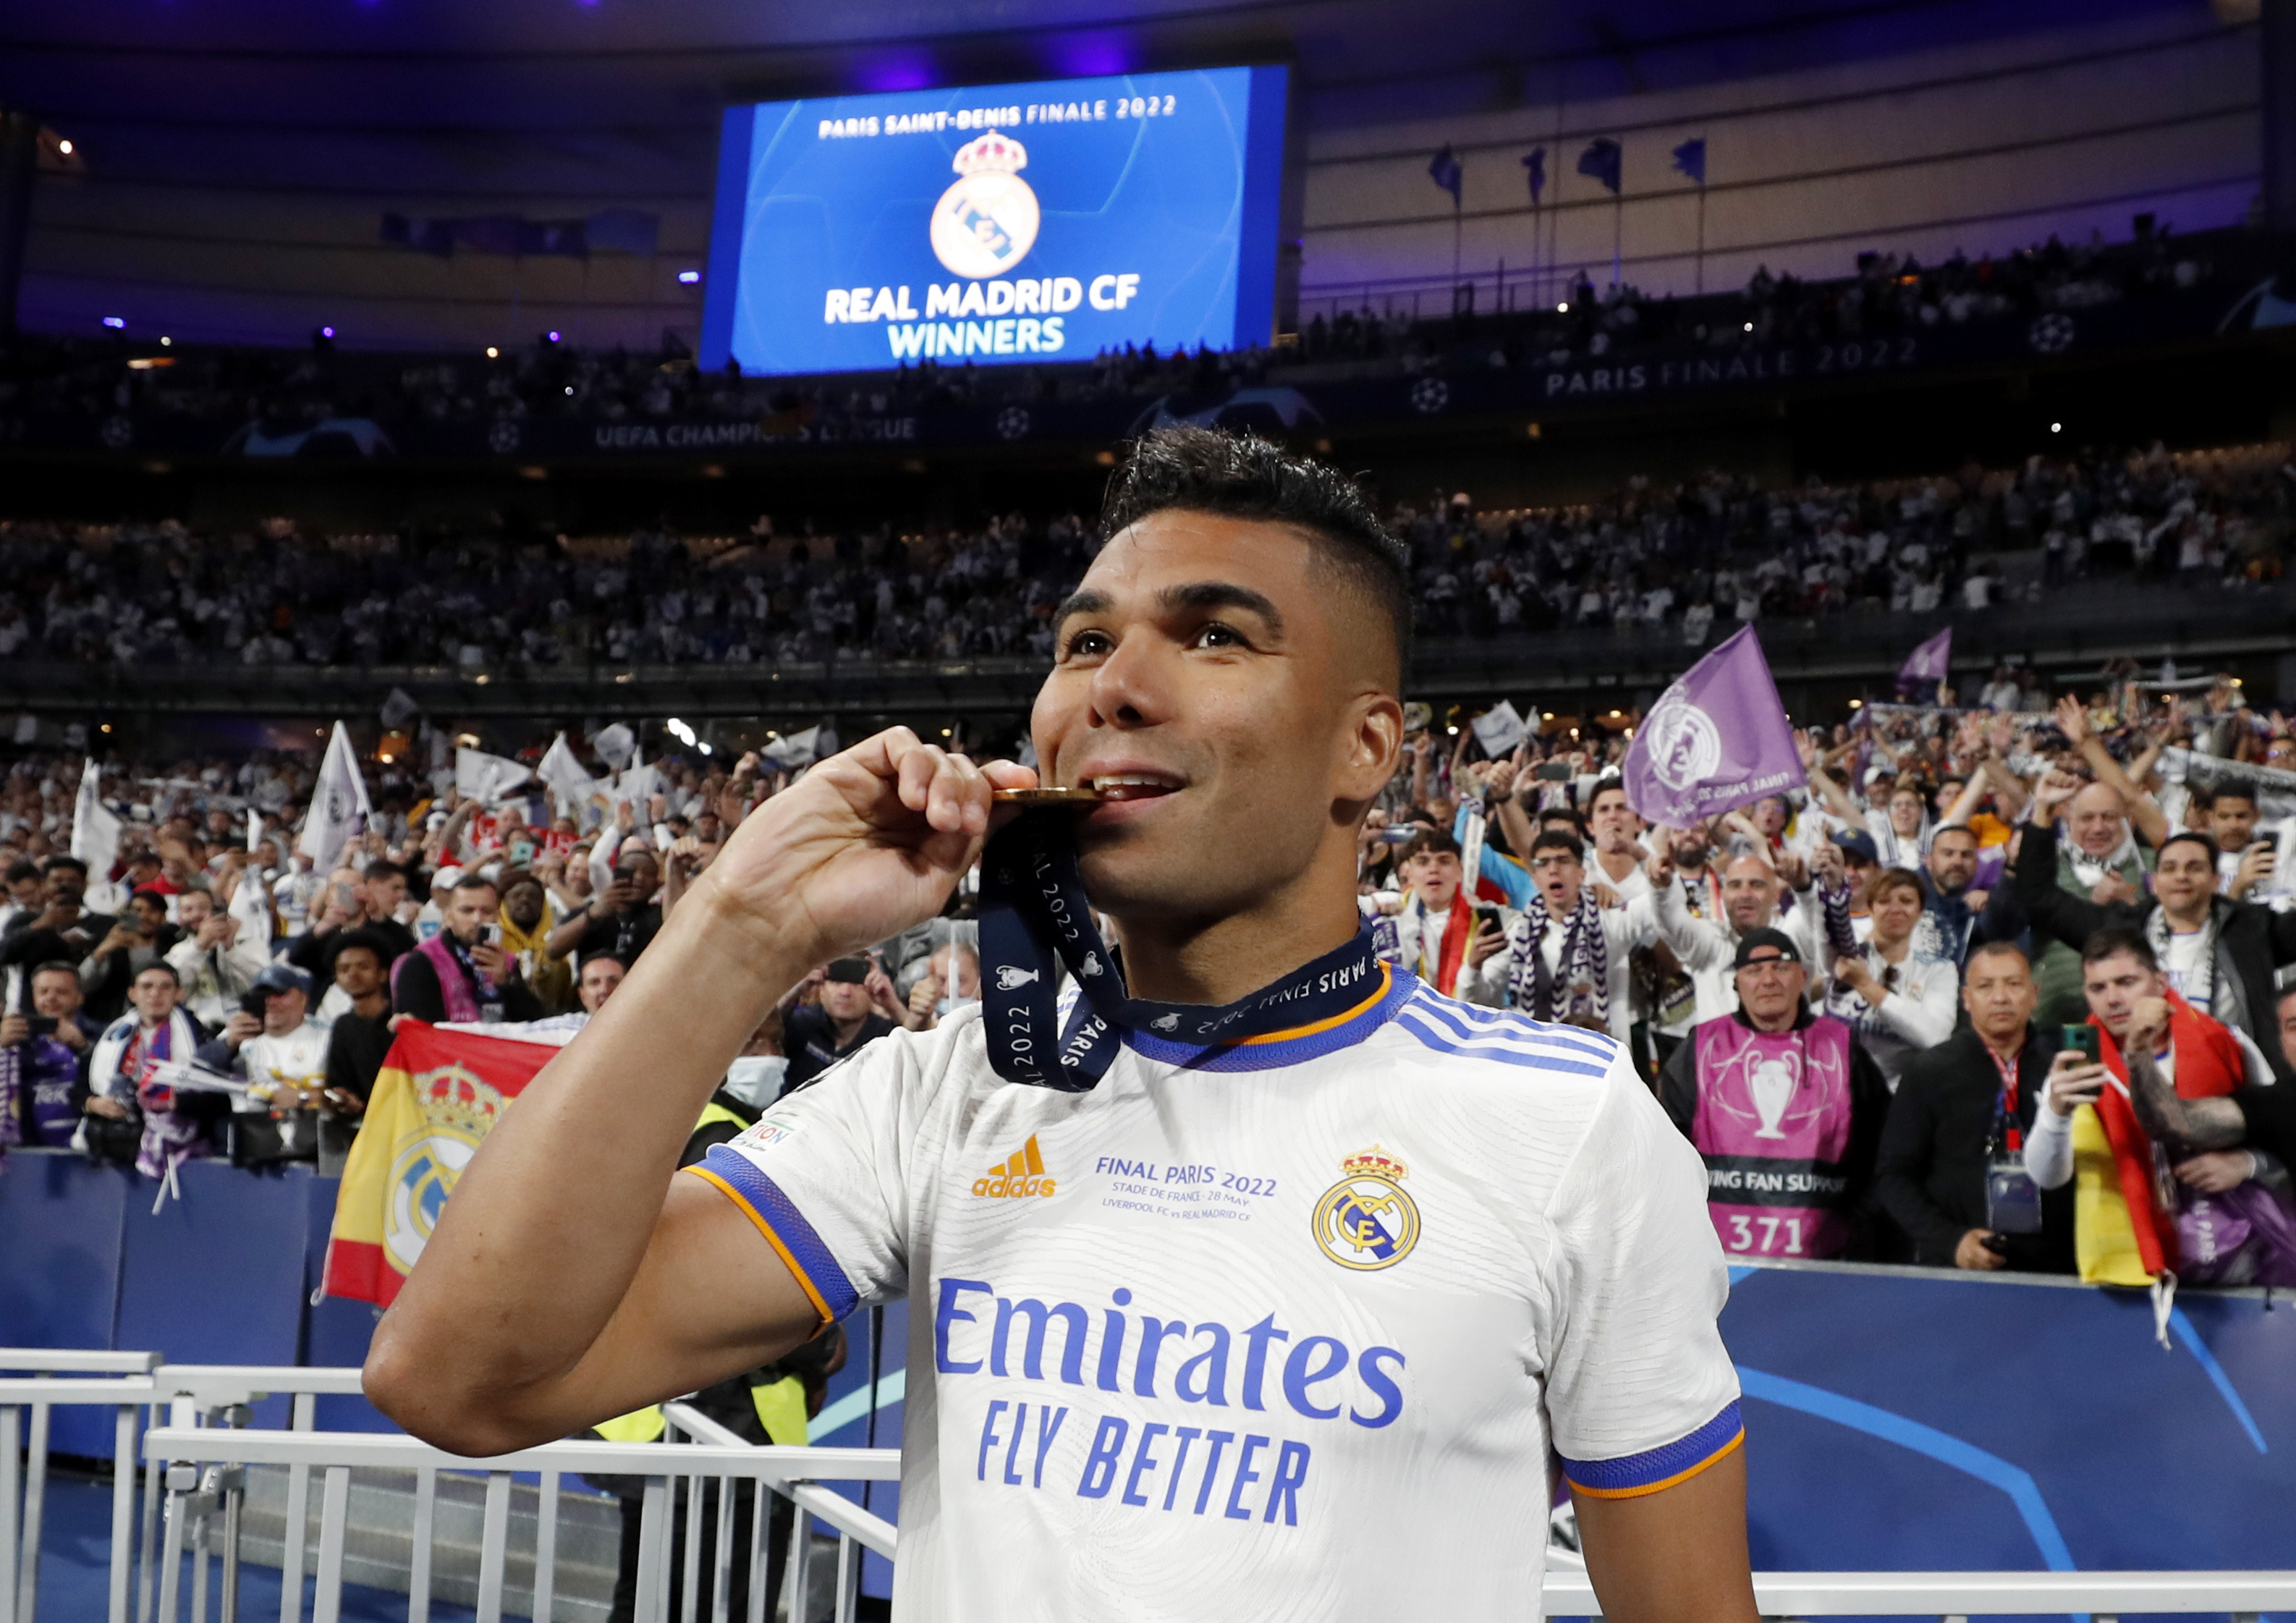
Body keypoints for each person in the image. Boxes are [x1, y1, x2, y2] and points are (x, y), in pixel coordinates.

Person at [369, 427, 1759, 1623]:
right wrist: (745, 923)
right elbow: (460, 1378)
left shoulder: (1565, 1131)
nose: (1112, 684)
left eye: (1214, 635)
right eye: (1084, 640)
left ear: (1367, 747)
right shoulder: (934, 1095)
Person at [2022, 929, 2289, 1286]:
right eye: (2097, 988)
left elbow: (2285, 1133)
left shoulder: (2227, 1043)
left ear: (2161, 982)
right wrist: (2056, 1113)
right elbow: (2046, 1177)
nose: (2112, 999)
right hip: (2129, 1271)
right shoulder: (2076, 1068)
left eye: (2126, 982)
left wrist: (2246, 1164)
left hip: (2234, 1257)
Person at [1657, 928, 1890, 1260]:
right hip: (1716, 1265)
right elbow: (1666, 1153)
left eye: (1780, 969)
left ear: (1803, 978)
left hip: (1825, 1263)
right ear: (1737, 983)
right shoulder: (1701, 1047)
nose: (1768, 980)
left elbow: (1881, 1152)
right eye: (1753, 971)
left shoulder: (1842, 1048)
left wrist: (1857, 1229)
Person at [2015, 818, 2296, 1082]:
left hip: (2236, 1083)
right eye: (2170, 868)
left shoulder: (2251, 929)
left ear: (2215, 880)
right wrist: (2041, 815)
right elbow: (2040, 900)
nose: (2181, 876)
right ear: (2156, 881)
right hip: (2143, 1082)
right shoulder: (2122, 930)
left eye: (2194, 867)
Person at [1874, 944, 2073, 1273]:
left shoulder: (2063, 1068)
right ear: (1966, 999)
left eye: (2014, 984)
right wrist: (1950, 1241)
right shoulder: (1931, 1071)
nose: (2000, 997)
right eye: (1985, 986)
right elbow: (1893, 1177)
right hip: (1959, 1268)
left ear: (2035, 993)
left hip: (2056, 1267)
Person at [1475, 829, 1657, 1043]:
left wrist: (1643, 856)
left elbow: (1660, 904)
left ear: (1581, 874)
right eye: (1543, 863)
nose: (1553, 870)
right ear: (1535, 878)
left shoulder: (1610, 923)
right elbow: (1480, 1000)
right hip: (1538, 1057)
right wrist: (1472, 969)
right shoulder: (1518, 934)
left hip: (1601, 1057)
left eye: (1563, 861)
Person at [1651, 847, 1836, 1026]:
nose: (1745, 894)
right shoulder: (1710, 943)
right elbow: (1671, 922)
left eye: (1757, 885)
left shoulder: (1791, 937)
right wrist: (1662, 889)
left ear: (1775, 895)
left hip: (1786, 1055)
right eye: (1735, 885)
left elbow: (1819, 922)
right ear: (1722, 895)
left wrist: (1803, 887)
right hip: (1718, 1055)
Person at [1820, 868, 1958, 1090]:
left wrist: (1866, 986)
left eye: (1906, 901)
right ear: (1871, 909)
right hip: (1845, 1090)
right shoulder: (1848, 959)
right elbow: (1819, 923)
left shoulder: (1939, 969)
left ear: (1920, 911)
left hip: (1905, 1096)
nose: (1895, 909)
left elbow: (1936, 1037)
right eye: (1885, 901)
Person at [200, 961, 335, 1166]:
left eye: (280, 994)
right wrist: (227, 1044)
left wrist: (302, 1097)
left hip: (312, 1149)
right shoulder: (238, 1035)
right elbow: (192, 1080)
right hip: (247, 1148)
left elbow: (350, 1094)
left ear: (303, 999)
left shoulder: (326, 1037)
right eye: (263, 996)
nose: (271, 1002)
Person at [88, 961, 212, 1179]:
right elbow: (80, 1086)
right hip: (121, 1143)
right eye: (147, 987)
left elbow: (215, 1097)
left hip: (183, 1146)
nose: (156, 994)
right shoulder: (113, 1036)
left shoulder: (198, 1037)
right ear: (132, 993)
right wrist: (92, 1103)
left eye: (165, 987)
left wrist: (177, 1102)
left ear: (179, 994)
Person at [391, 875, 546, 1025]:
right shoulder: (422, 962)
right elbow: (422, 1031)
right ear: (449, 916)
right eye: (467, 911)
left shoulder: (507, 961)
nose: (477, 919)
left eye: (486, 911)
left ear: (498, 915)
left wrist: (506, 983)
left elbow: (536, 1022)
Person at [1374, 829, 1508, 999]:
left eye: (1444, 862)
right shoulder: (1389, 916)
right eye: (1423, 862)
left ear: (1460, 871)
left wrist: (1473, 968)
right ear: (1410, 873)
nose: (1434, 869)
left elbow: (1487, 1001)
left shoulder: (1489, 920)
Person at [1, 961, 99, 1148]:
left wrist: (85, 1048)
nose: (51, 998)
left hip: (87, 1151)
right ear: (34, 997)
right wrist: (2, 1048)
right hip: (28, 1153)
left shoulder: (103, 1037)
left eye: (61, 992)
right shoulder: (17, 1041)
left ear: (79, 997)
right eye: (43, 992)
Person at [780, 957, 898, 1094]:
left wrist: (894, 1006)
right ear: (821, 989)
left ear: (872, 990)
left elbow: (919, 1053)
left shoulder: (884, 1035)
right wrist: (793, 993)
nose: (845, 992)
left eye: (857, 983)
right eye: (837, 981)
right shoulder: (802, 1022)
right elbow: (762, 1032)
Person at [166, 886, 271, 1030]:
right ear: (179, 917)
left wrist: (230, 948)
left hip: (248, 1023)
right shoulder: (178, 952)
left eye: (203, 908)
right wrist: (199, 947)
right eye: (188, 910)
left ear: (218, 911)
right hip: (200, 1028)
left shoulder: (248, 943)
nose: (196, 914)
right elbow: (172, 989)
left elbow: (265, 982)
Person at [79, 888, 183, 1023]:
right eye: (138, 910)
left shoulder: (173, 946)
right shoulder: (113, 948)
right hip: (113, 1021)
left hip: (166, 1018)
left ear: (163, 918)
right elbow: (81, 984)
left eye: (152, 911)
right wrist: (102, 951)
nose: (144, 916)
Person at [550, 846, 662, 970]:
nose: (639, 877)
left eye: (649, 873)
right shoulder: (590, 911)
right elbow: (553, 950)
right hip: (597, 987)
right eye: (632, 870)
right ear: (616, 874)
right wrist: (591, 916)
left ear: (656, 883)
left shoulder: (660, 914)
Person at [323, 929, 396, 1118]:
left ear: (383, 974)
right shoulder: (344, 1026)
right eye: (344, 969)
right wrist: (343, 1099)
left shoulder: (401, 1022)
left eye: (363, 967)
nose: (353, 975)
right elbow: (338, 1083)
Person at [498, 871, 574, 1013]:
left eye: (533, 896)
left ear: (543, 905)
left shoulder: (558, 946)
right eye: (517, 895)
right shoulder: (494, 941)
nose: (525, 900)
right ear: (504, 902)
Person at [577, 951, 627, 1016]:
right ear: (582, 996)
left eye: (613, 981)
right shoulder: (566, 1025)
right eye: (595, 982)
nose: (604, 990)